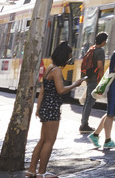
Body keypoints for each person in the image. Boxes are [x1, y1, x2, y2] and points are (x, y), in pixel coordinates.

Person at [28, 42, 87, 178]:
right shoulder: (57, 71)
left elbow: (42, 91)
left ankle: (31, 170)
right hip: (52, 107)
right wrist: (75, 84)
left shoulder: (49, 67)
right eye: (69, 58)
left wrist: (38, 108)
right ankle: (42, 173)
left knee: (42, 140)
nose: (69, 60)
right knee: (50, 140)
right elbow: (60, 90)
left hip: (45, 107)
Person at [79, 32, 109, 133]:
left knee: (88, 100)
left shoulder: (91, 49)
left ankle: (83, 123)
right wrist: (101, 80)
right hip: (95, 78)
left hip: (89, 77)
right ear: (104, 41)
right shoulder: (100, 51)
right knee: (90, 101)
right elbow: (100, 66)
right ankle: (84, 125)